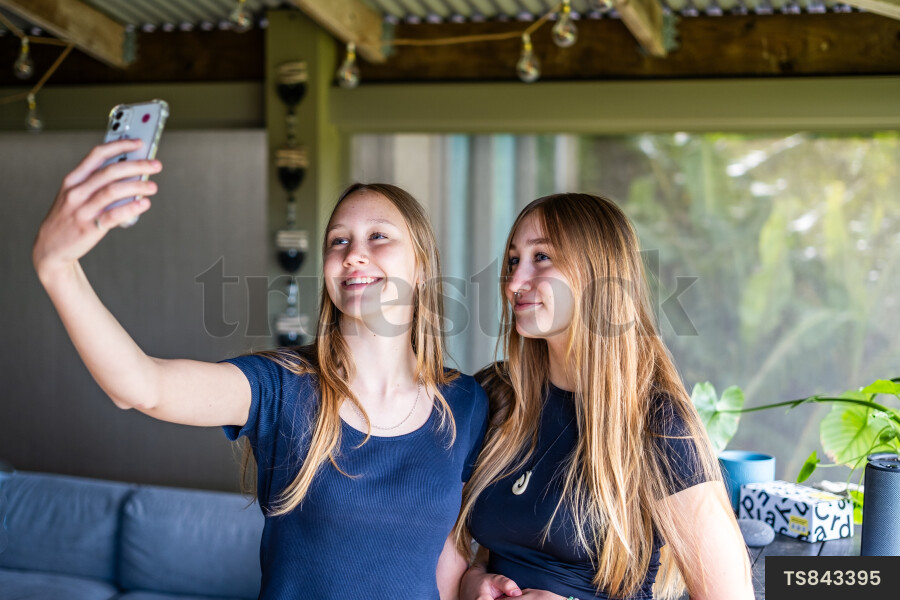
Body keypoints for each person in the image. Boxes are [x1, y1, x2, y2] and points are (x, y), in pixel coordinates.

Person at [32, 139, 489, 600]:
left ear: (423, 265)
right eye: (338, 241)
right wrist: (58, 268)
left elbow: (449, 554)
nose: (353, 254)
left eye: (378, 236)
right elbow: (142, 385)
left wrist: (480, 583)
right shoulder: (281, 387)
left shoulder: (466, 403)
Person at [454, 193, 753, 600]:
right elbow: (492, 542)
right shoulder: (497, 394)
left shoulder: (658, 424)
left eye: (541, 257)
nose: (514, 283)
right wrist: (473, 579)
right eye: (512, 261)